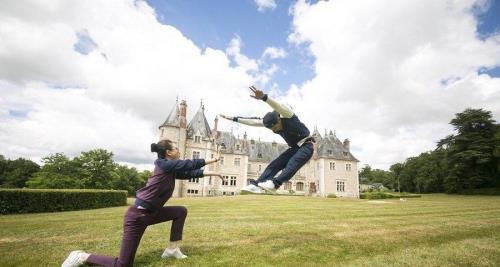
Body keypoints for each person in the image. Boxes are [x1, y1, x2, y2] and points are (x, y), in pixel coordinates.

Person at [62, 139, 223, 267]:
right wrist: (214, 159)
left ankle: (172, 250)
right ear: (168, 153)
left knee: (180, 211)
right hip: (137, 217)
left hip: (152, 213)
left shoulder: (170, 169)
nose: (178, 150)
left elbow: (189, 172)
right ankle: (81, 256)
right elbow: (189, 164)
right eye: (175, 149)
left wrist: (214, 172)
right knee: (123, 265)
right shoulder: (162, 164)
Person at [220, 85, 314, 194]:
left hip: (307, 146)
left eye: (275, 127)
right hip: (294, 148)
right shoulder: (269, 122)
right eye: (272, 129)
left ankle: (275, 184)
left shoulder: (287, 115)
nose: (275, 130)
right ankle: (256, 185)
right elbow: (253, 122)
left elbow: (278, 106)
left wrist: (264, 97)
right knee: (274, 164)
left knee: (293, 163)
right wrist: (234, 119)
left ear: (278, 120)